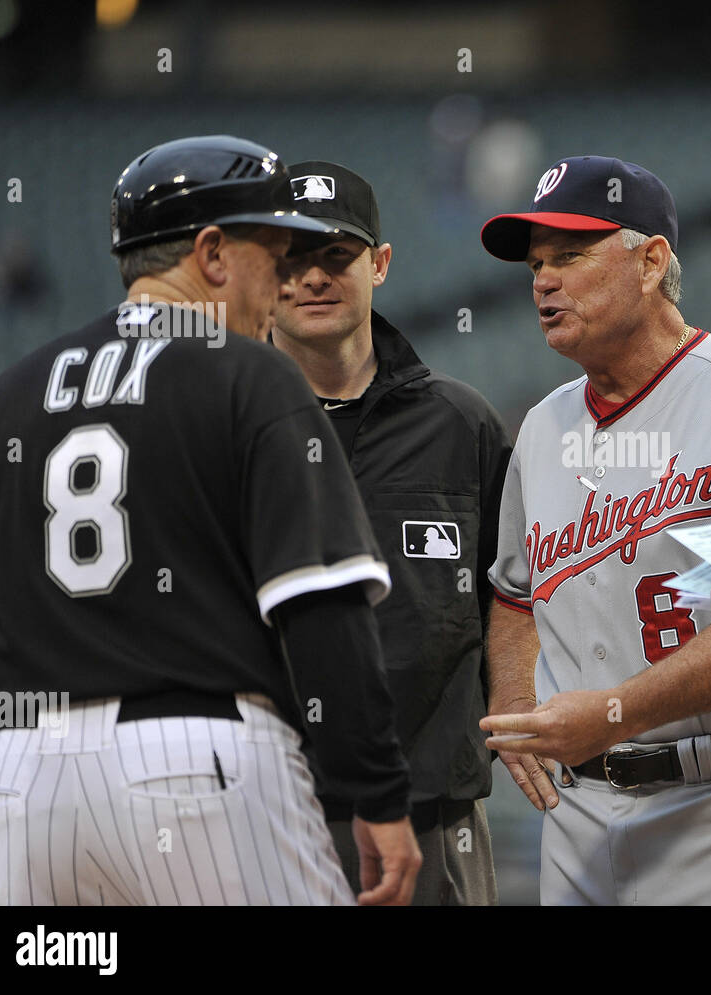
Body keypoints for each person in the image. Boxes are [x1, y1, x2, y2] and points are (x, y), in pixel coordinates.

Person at [0, 136, 423, 906]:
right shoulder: (251, 376)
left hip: (25, 783)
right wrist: (376, 794)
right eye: (274, 256)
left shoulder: (8, 397)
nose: (283, 285)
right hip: (196, 760)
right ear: (213, 253)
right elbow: (319, 607)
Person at [477, 155, 711, 905]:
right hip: (579, 816)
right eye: (536, 264)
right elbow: (515, 597)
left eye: (571, 255)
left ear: (650, 262)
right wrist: (519, 714)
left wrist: (612, 714)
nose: (543, 280)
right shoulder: (544, 429)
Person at [271, 160, 511, 905]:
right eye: (293, 259)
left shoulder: (460, 423)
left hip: (433, 810)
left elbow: (510, 600)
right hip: (267, 806)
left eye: (336, 256)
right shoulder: (225, 426)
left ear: (379, 263)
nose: (314, 277)